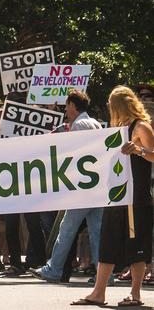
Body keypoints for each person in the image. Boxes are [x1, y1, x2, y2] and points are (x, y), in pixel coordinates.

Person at [74, 86, 154, 307]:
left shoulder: (141, 126)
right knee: (107, 244)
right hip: (115, 197)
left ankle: (135, 294)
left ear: (119, 105)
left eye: (111, 104)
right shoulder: (115, 128)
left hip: (136, 199)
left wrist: (139, 150)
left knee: (136, 247)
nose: (109, 108)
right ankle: (98, 292)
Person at [31, 90, 102, 283]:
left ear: (72, 105)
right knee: (96, 231)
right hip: (96, 187)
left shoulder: (79, 125)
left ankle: (53, 270)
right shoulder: (94, 123)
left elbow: (76, 156)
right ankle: (105, 274)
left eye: (66, 105)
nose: (65, 109)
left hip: (82, 187)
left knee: (67, 228)